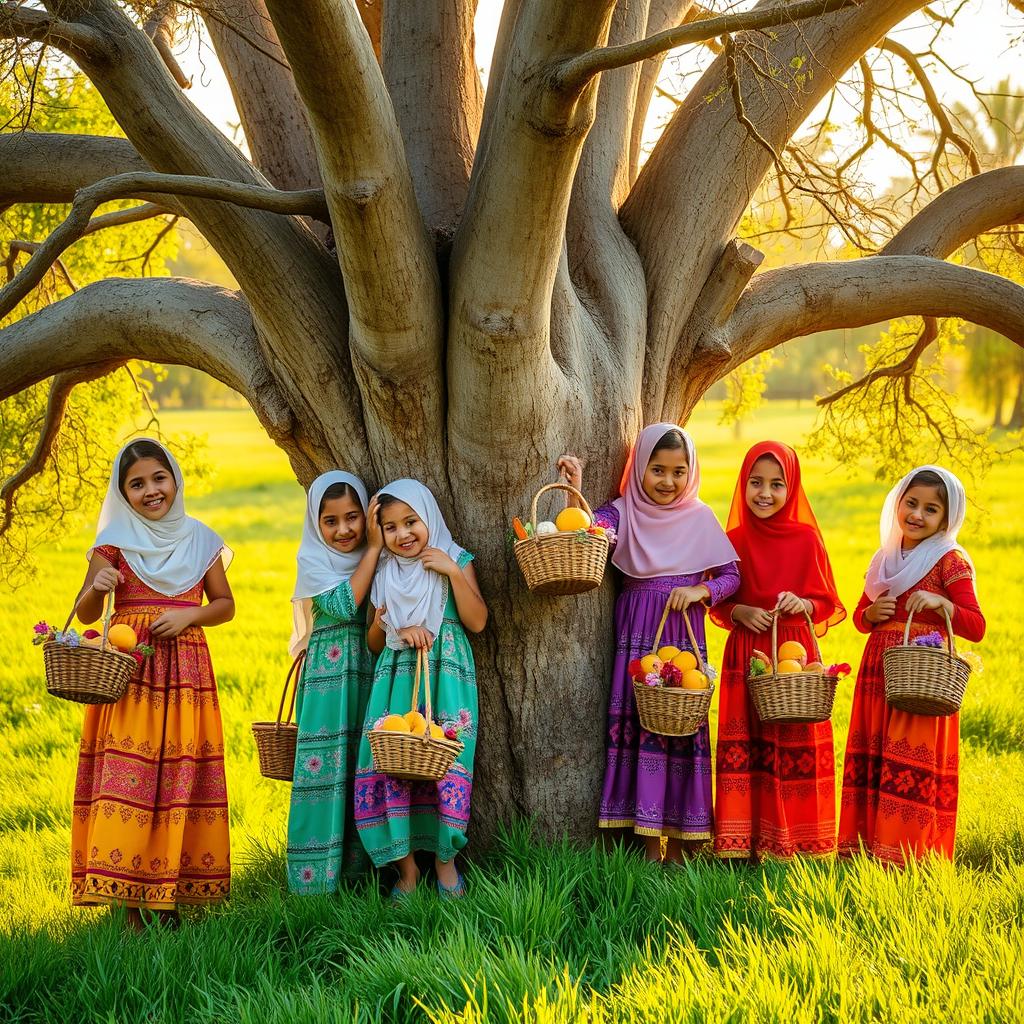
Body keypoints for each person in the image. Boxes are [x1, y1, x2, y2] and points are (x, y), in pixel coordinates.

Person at [71, 438, 234, 927]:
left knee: (181, 774)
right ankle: (127, 900)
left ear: (175, 480)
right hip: (129, 671)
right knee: (134, 774)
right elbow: (84, 611)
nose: (151, 491)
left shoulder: (202, 539)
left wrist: (190, 618)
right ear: (123, 494)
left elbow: (224, 605)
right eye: (136, 484)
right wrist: (95, 589)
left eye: (158, 479)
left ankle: (172, 891)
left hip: (185, 672)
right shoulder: (114, 544)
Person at [559, 424, 739, 863]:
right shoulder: (624, 512)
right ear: (639, 468)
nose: (668, 482)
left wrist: (702, 592)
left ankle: (682, 842)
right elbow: (587, 532)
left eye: (679, 472)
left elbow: (733, 576)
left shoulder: (700, 517)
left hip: (684, 634)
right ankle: (644, 839)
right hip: (638, 635)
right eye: (657, 470)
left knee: (681, 723)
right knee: (643, 723)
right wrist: (574, 493)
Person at [838, 466, 984, 864]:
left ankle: (905, 854)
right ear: (898, 502)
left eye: (931, 509)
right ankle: (863, 849)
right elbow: (858, 616)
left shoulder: (948, 560)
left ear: (946, 518)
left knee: (909, 756)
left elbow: (976, 624)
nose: (917, 515)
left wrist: (944, 604)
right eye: (912, 503)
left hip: (921, 674)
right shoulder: (885, 557)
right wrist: (870, 616)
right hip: (880, 671)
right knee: (876, 753)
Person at [709, 441, 845, 860]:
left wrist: (803, 604)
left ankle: (802, 840)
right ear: (743, 484)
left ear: (792, 488)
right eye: (755, 482)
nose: (764, 493)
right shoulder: (732, 540)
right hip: (748, 654)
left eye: (777, 484)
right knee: (748, 743)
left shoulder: (805, 539)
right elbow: (718, 601)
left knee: (793, 742)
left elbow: (827, 601)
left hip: (793, 654)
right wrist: (740, 612)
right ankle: (742, 841)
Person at [353, 480, 487, 897]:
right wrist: (387, 626)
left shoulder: (455, 558)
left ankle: (445, 863)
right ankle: (406, 870)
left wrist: (450, 571)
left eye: (411, 522)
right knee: (391, 763)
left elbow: (478, 620)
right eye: (390, 527)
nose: (403, 534)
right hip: (395, 680)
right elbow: (373, 644)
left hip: (446, 678)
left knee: (446, 762)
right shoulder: (385, 572)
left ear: (428, 517)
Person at [286, 471, 382, 893]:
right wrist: (375, 547)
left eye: (352, 517)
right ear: (315, 523)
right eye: (330, 521)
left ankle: (361, 876)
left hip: (372, 667)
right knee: (324, 770)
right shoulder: (313, 560)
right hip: (328, 676)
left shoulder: (379, 557)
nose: (343, 530)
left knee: (365, 765)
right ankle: (313, 883)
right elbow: (343, 605)